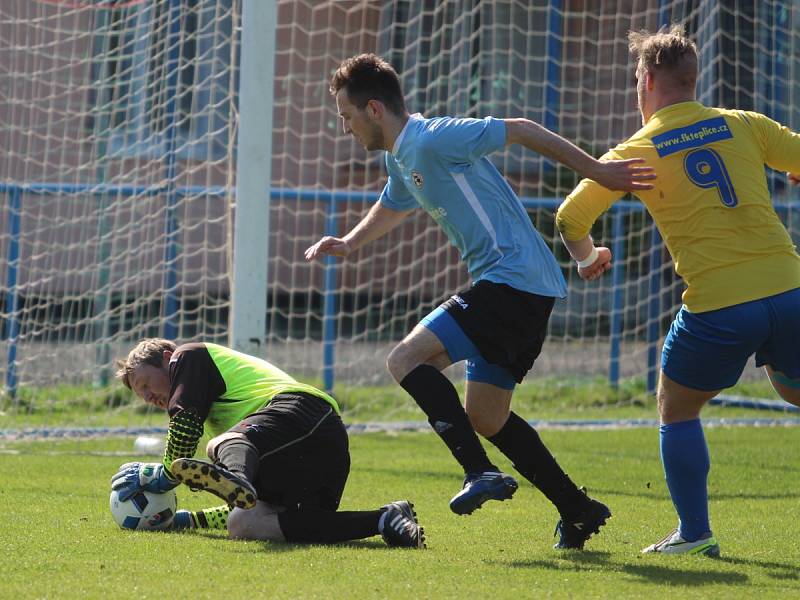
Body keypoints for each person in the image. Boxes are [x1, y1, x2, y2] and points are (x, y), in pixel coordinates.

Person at [305, 53, 656, 549]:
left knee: (404, 358)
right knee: (487, 417)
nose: (344, 127)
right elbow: (395, 201)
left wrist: (600, 171)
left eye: (346, 115)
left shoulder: (433, 137)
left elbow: (521, 128)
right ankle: (577, 509)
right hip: (524, 287)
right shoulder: (402, 156)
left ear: (375, 109)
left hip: (510, 282)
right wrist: (349, 243)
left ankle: (478, 471)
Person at [556, 25, 800, 557]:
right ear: (694, 80)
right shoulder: (741, 124)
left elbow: (569, 217)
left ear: (644, 81)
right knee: (792, 388)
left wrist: (588, 257)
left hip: (719, 305)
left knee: (677, 407)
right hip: (789, 289)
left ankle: (694, 534)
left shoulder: (638, 149)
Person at [110, 338, 425, 548]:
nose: (149, 397)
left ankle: (241, 476)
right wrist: (184, 519)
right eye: (141, 395)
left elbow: (184, 427)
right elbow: (242, 499)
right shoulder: (222, 428)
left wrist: (160, 477)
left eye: (145, 384)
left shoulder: (188, 356)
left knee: (221, 446)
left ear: (166, 359)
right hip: (310, 455)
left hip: (304, 413)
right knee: (244, 523)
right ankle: (386, 519)